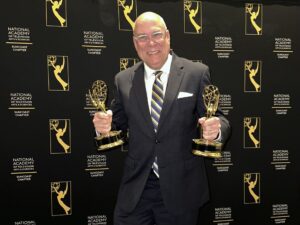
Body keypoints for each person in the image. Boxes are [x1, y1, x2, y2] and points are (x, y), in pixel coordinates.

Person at [93, 11, 231, 225]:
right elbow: (116, 124)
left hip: (181, 188)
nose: (151, 43)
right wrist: (103, 127)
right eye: (143, 37)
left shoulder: (196, 73)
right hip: (137, 188)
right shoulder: (123, 79)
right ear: (135, 42)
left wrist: (215, 129)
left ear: (168, 36)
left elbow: (217, 117)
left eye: (156, 35)